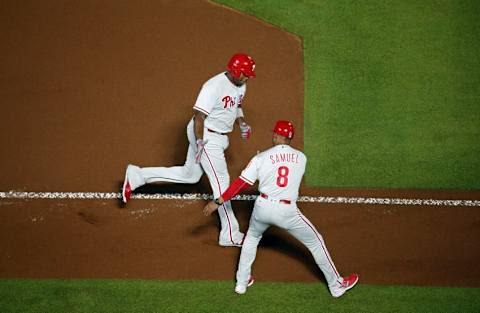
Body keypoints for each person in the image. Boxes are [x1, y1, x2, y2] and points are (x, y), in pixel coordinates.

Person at [203, 120, 359, 297]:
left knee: (252, 238)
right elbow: (286, 172)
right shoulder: (302, 158)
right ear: (290, 138)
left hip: (262, 207)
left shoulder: (260, 158)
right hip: (287, 212)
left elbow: (240, 184)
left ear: (276, 135)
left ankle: (241, 283)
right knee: (315, 242)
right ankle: (336, 286)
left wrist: (218, 201)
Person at [122, 53, 256, 247]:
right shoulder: (213, 86)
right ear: (235, 71)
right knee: (222, 183)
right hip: (205, 134)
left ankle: (138, 175)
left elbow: (237, 104)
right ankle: (230, 234)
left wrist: (242, 122)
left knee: (190, 175)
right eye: (244, 74)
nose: (246, 78)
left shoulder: (241, 84)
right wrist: (201, 142)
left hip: (217, 136)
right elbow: (199, 117)